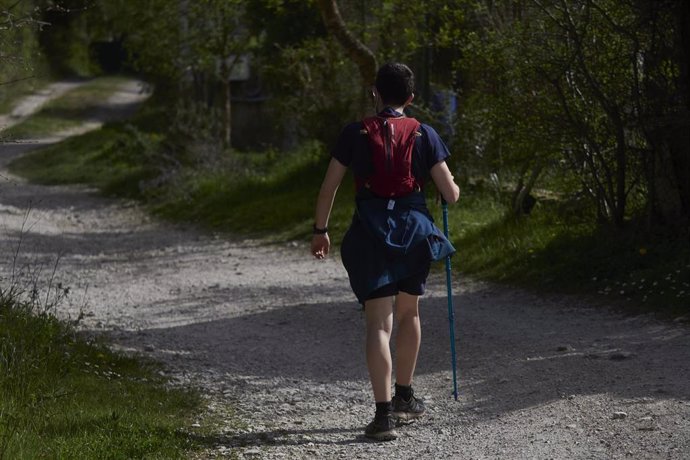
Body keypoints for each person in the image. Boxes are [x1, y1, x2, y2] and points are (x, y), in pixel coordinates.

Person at [311, 62, 460, 441]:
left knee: (378, 323)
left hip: (370, 232)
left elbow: (328, 188)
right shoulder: (424, 133)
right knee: (409, 313)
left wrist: (320, 231)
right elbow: (450, 193)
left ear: (374, 92)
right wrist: (449, 184)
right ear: (410, 98)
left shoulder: (354, 133)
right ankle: (405, 396)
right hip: (413, 231)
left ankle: (382, 418)